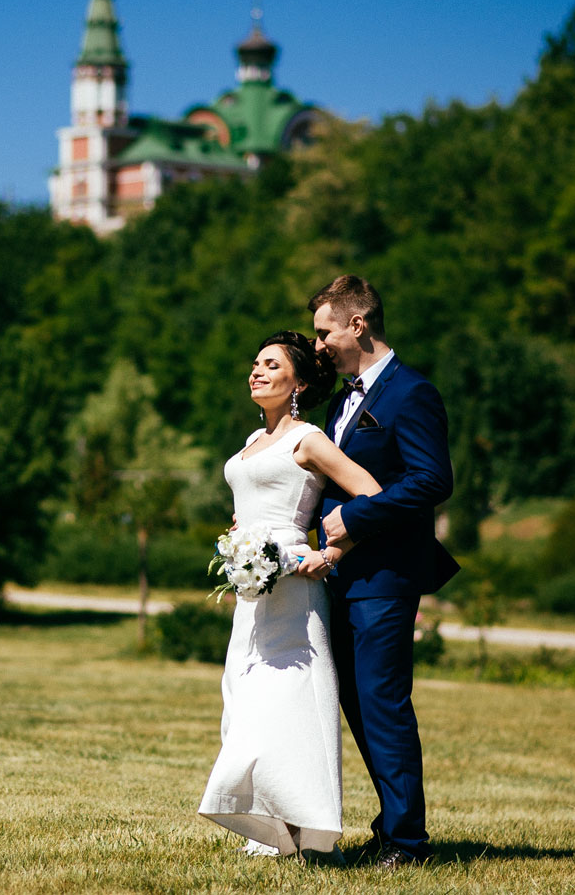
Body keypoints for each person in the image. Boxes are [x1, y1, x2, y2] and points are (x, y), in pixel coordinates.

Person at [197, 331, 381, 859]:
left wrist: (331, 554)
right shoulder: (252, 443)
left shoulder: (309, 438)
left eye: (271, 365)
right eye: (254, 363)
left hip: (296, 593)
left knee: (293, 710)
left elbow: (371, 496)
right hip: (253, 595)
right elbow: (254, 499)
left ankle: (312, 834)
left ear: (297, 382)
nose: (256, 372)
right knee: (248, 707)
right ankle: (276, 831)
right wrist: (240, 538)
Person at [295, 275, 458, 869]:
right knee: (358, 705)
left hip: (386, 576)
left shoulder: (410, 392)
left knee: (383, 702)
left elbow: (433, 480)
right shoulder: (343, 398)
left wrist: (357, 517)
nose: (318, 345)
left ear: (357, 325)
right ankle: (392, 828)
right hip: (338, 575)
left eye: (324, 331)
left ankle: (409, 845)